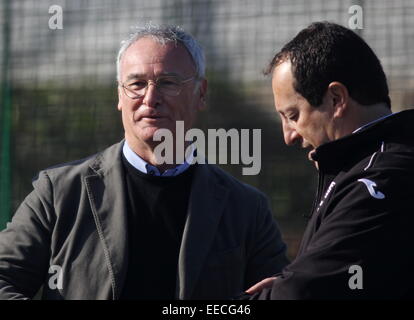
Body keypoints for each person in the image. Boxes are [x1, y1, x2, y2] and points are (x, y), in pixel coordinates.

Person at [0, 24, 289, 300]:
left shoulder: (246, 209)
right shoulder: (59, 194)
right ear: (119, 95)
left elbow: (279, 293)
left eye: (168, 83)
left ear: (201, 93)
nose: (150, 98)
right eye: (136, 83)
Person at [245, 21, 414, 299]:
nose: (289, 136)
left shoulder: (379, 181)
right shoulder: (367, 168)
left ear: (336, 99)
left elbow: (301, 293)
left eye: (293, 116)